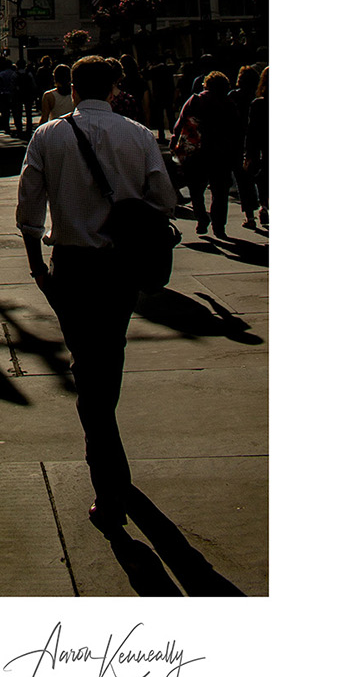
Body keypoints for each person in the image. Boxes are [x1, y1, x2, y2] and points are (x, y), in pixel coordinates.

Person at [17, 55, 176, 535]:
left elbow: (28, 209)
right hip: (122, 267)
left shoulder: (49, 136)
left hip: (73, 264)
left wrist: (36, 269)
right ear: (112, 88)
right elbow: (164, 200)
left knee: (89, 368)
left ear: (71, 85)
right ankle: (109, 466)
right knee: (106, 356)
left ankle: (109, 485)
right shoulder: (137, 134)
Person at [172, 70, 244, 238]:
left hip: (197, 153)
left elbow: (180, 125)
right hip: (221, 154)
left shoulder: (195, 101)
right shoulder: (229, 104)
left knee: (196, 190)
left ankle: (201, 217)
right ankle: (219, 227)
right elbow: (238, 131)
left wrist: (176, 145)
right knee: (220, 192)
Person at [231, 65, 262, 227]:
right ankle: (264, 207)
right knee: (263, 177)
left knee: (244, 181)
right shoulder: (258, 98)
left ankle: (250, 216)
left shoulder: (234, 97)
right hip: (259, 141)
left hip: (237, 143)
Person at [243, 66, 269, 229]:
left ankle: (264, 206)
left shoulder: (258, 104)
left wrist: (249, 153)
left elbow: (252, 131)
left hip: (263, 145)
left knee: (263, 177)